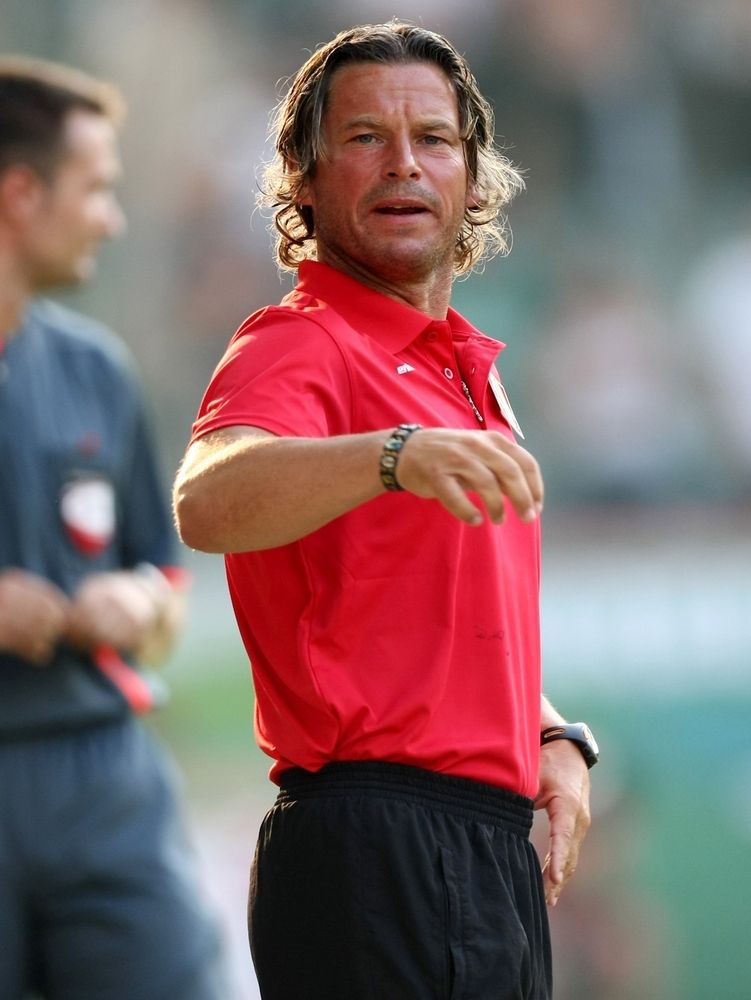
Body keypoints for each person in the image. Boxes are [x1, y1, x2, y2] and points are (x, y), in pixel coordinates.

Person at [173, 21, 597, 1000]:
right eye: (364, 137)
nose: (403, 161)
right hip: (373, 844)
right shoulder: (300, 341)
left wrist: (547, 735)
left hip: (480, 845)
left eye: (433, 138)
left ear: (474, 179)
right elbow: (206, 497)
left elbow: (425, 628)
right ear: (303, 180)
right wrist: (394, 453)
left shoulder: (463, 368)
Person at [0, 56, 226, 999]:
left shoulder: (96, 369)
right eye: (96, 189)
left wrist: (137, 601)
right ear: (21, 193)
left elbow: (162, 576)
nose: (111, 219)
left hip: (102, 773)